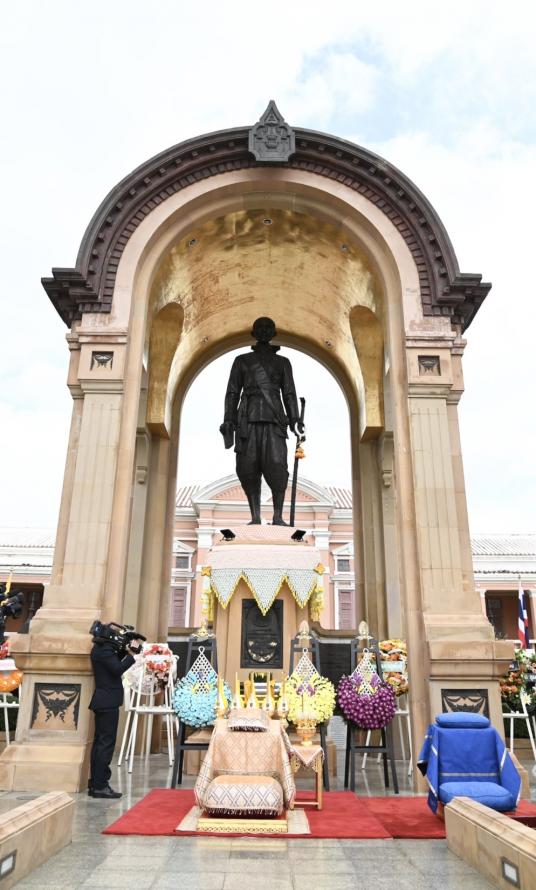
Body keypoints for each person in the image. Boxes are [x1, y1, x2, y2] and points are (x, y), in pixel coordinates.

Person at [220, 316, 303, 525]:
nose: (264, 331)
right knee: (248, 467)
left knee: (277, 464)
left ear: (274, 333)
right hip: (247, 420)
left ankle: (278, 516)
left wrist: (295, 419)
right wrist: (229, 418)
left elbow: (289, 393)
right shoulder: (241, 361)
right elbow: (232, 392)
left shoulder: (283, 362)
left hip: (274, 420)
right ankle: (255, 517)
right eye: (260, 327)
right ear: (253, 333)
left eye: (268, 328)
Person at [88, 630, 140, 798]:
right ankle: (100, 786)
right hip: (107, 702)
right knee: (105, 745)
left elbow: (113, 663)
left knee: (100, 744)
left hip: (104, 701)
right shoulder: (104, 651)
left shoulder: (101, 649)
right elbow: (117, 669)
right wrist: (131, 655)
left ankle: (96, 783)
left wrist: (126, 650)